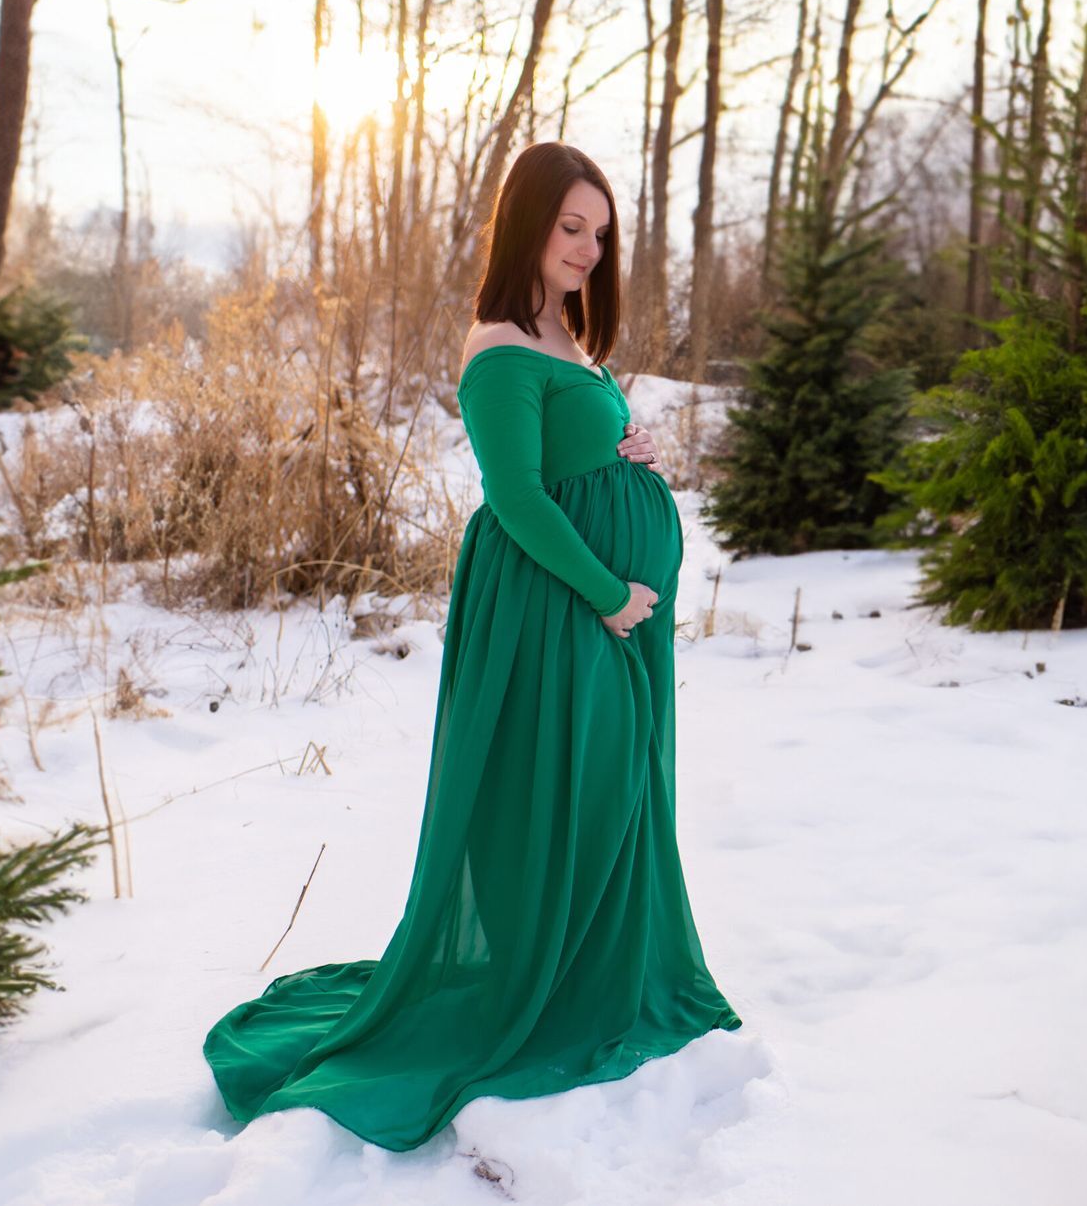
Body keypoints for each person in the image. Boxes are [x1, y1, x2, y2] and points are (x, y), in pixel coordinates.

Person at [202, 141, 743, 1152]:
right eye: (570, 227)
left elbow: (578, 452)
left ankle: (593, 967)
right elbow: (519, 497)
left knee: (618, 785)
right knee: (568, 785)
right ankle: (537, 982)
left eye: (599, 231)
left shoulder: (566, 331)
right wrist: (607, 595)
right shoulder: (498, 344)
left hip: (609, 606)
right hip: (557, 607)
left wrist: (641, 449)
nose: (588, 248)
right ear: (529, 224)